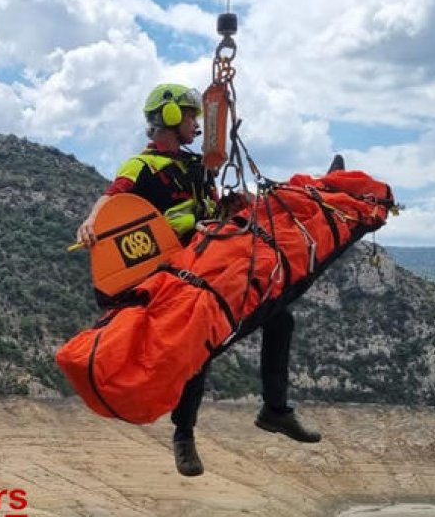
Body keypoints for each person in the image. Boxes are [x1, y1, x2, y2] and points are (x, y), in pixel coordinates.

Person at [75, 83, 321, 478]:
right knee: (198, 345)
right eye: (191, 116)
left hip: (210, 261)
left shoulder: (195, 167)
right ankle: (183, 435)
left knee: (281, 317)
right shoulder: (141, 167)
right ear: (171, 117)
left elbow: (207, 206)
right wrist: (92, 221)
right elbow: (114, 196)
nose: (196, 124)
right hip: (178, 276)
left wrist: (228, 204)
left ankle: (275, 410)